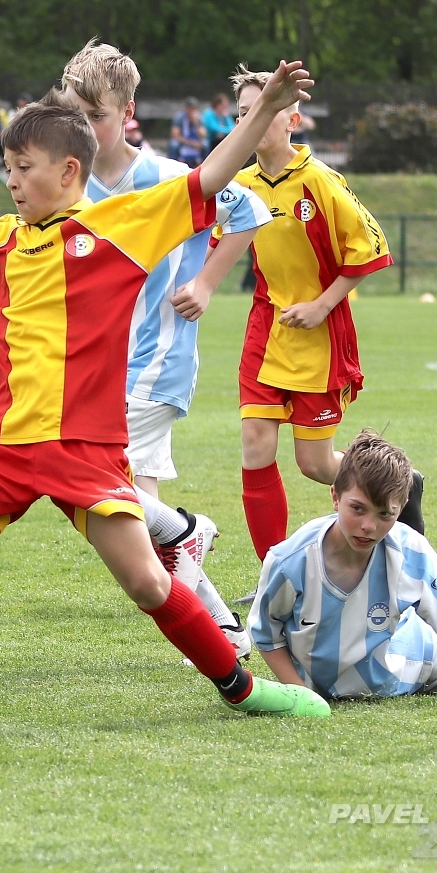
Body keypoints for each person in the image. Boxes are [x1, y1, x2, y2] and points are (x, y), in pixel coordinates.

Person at [0, 62, 332, 736]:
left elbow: (211, 178)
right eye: (8, 168)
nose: (12, 181)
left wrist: (265, 109)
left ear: (69, 170)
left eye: (24, 167)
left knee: (148, 583)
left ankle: (242, 689)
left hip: (82, 447)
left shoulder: (121, 225)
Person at [60, 38, 273, 656]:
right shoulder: (68, 184)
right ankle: (225, 629)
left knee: (96, 490)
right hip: (94, 370)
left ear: (128, 112)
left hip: (153, 364)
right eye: (73, 115)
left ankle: (189, 535)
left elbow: (249, 210)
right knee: (139, 520)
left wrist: (204, 283)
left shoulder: (167, 178)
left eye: (96, 116)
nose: (83, 129)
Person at [227, 65, 418, 591]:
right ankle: (274, 578)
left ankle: (399, 486)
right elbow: (211, 241)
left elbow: (371, 248)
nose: (250, 120)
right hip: (266, 328)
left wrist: (321, 304)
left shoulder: (321, 181)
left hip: (319, 333)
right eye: (242, 113)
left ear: (292, 119)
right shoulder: (237, 185)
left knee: (313, 464)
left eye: (263, 109)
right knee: (254, 445)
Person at [250, 431, 437, 707]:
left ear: (401, 509)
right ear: (335, 496)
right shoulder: (289, 560)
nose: (368, 526)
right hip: (344, 677)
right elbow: (266, 633)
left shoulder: (409, 549)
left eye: (385, 514)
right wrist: (302, 694)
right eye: (358, 509)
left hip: (413, 656)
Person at [168, 97, 206, 167]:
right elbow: (175, 135)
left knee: (205, 144)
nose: (191, 111)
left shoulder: (199, 118)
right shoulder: (179, 118)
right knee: (174, 145)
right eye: (189, 108)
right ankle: (172, 165)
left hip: (196, 140)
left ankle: (204, 165)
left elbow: (203, 135)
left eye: (193, 108)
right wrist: (191, 143)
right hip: (183, 140)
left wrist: (196, 123)